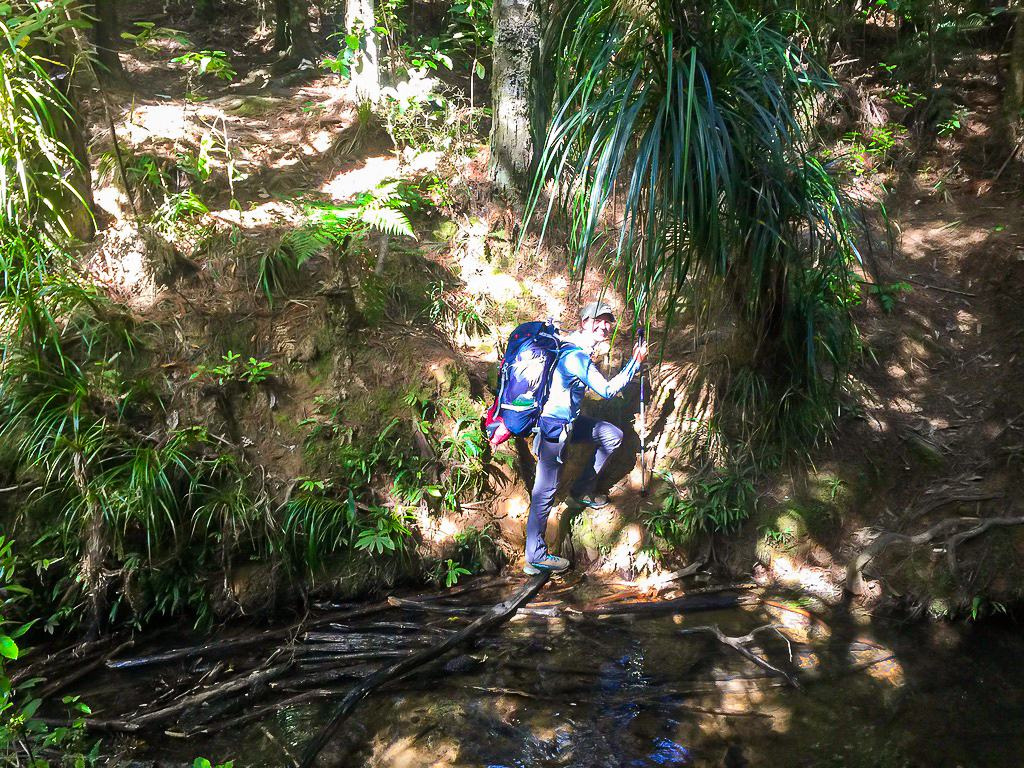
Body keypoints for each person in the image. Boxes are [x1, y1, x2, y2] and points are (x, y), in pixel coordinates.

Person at [524, 301, 648, 574]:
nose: (604, 326)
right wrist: (634, 364)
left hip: (569, 422)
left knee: (611, 435)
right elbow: (605, 390)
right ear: (584, 323)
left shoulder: (573, 345)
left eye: (608, 321)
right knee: (544, 490)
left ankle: (580, 492)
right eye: (598, 320)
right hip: (553, 427)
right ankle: (535, 556)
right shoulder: (574, 356)